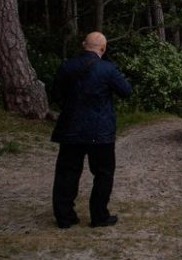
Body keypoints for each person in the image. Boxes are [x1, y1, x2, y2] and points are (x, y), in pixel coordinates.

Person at [50, 31, 132, 229]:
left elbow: (55, 94)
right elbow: (126, 91)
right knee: (103, 173)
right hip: (100, 131)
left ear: (83, 45)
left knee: (67, 173)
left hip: (71, 129)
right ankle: (99, 216)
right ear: (103, 49)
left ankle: (64, 217)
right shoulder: (108, 69)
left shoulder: (67, 66)